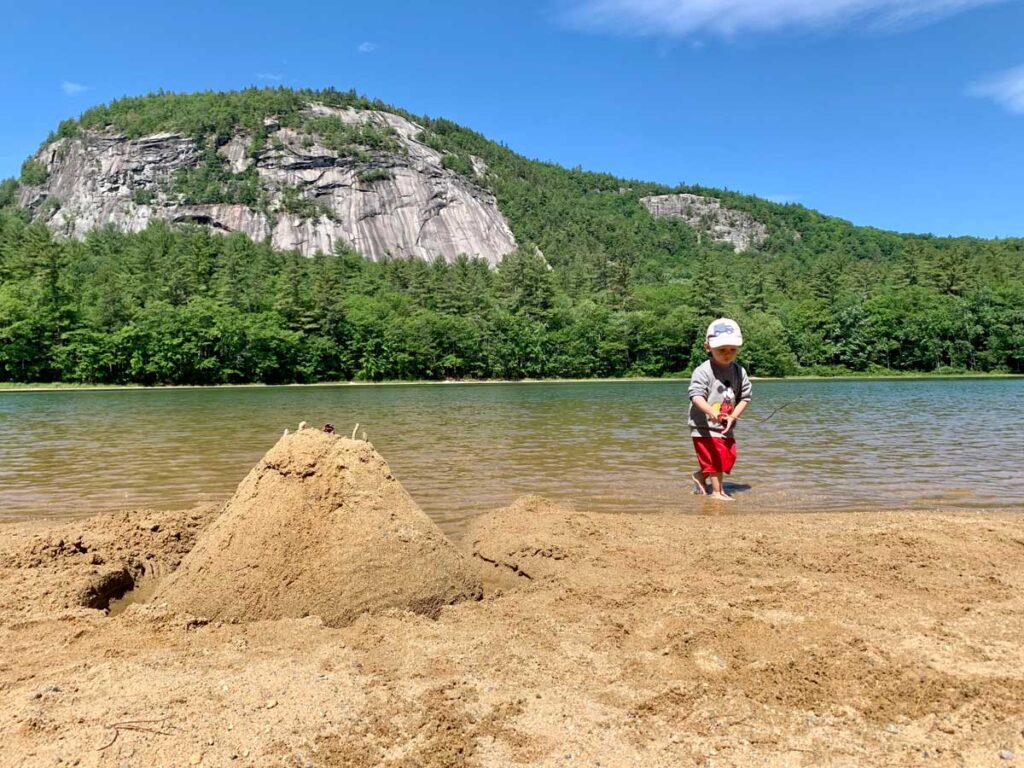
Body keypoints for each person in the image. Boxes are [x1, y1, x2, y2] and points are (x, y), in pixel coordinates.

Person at [688, 318, 752, 501]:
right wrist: (710, 411)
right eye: (721, 350)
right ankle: (717, 492)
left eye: (732, 350)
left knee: (728, 457)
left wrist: (733, 416)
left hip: (725, 424)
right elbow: (696, 396)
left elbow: (745, 397)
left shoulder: (739, 372)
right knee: (716, 457)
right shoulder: (703, 371)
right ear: (708, 347)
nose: (727, 354)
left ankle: (700, 476)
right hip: (704, 426)